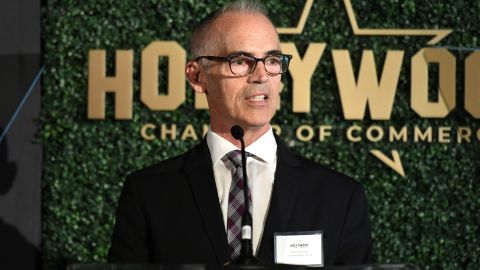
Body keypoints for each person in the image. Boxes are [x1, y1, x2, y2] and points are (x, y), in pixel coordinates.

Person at [108, 0, 372, 266]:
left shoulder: (339, 196)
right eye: (241, 61)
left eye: (271, 60)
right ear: (197, 76)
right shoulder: (149, 193)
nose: (261, 76)